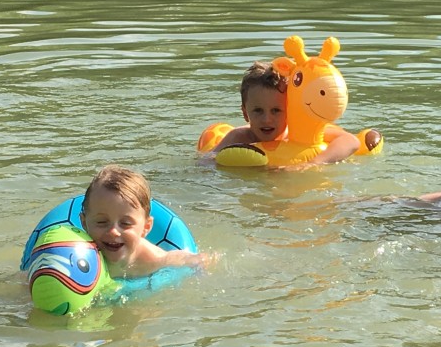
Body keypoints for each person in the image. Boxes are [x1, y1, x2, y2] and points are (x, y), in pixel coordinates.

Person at [212, 61, 360, 165]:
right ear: (245, 113)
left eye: (276, 110)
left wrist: (314, 162)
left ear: (290, 110)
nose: (267, 119)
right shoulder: (239, 137)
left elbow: (351, 141)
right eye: (258, 110)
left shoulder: (298, 132)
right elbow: (207, 162)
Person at [81, 164, 215, 277]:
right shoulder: (77, 253)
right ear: (84, 223)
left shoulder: (154, 261)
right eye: (101, 222)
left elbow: (180, 258)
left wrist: (199, 261)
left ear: (146, 227)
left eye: (125, 223)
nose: (113, 231)